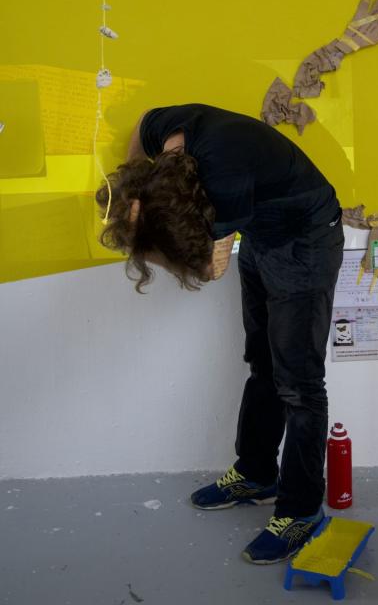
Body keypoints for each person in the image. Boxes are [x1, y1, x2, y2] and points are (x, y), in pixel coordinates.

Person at [95, 102, 344, 565]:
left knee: (299, 385)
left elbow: (208, 269)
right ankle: (257, 475)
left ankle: (302, 511)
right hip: (263, 232)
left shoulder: (225, 183)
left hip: (306, 240)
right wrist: (130, 196)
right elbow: (140, 127)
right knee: (262, 362)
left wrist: (148, 245)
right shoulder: (162, 127)